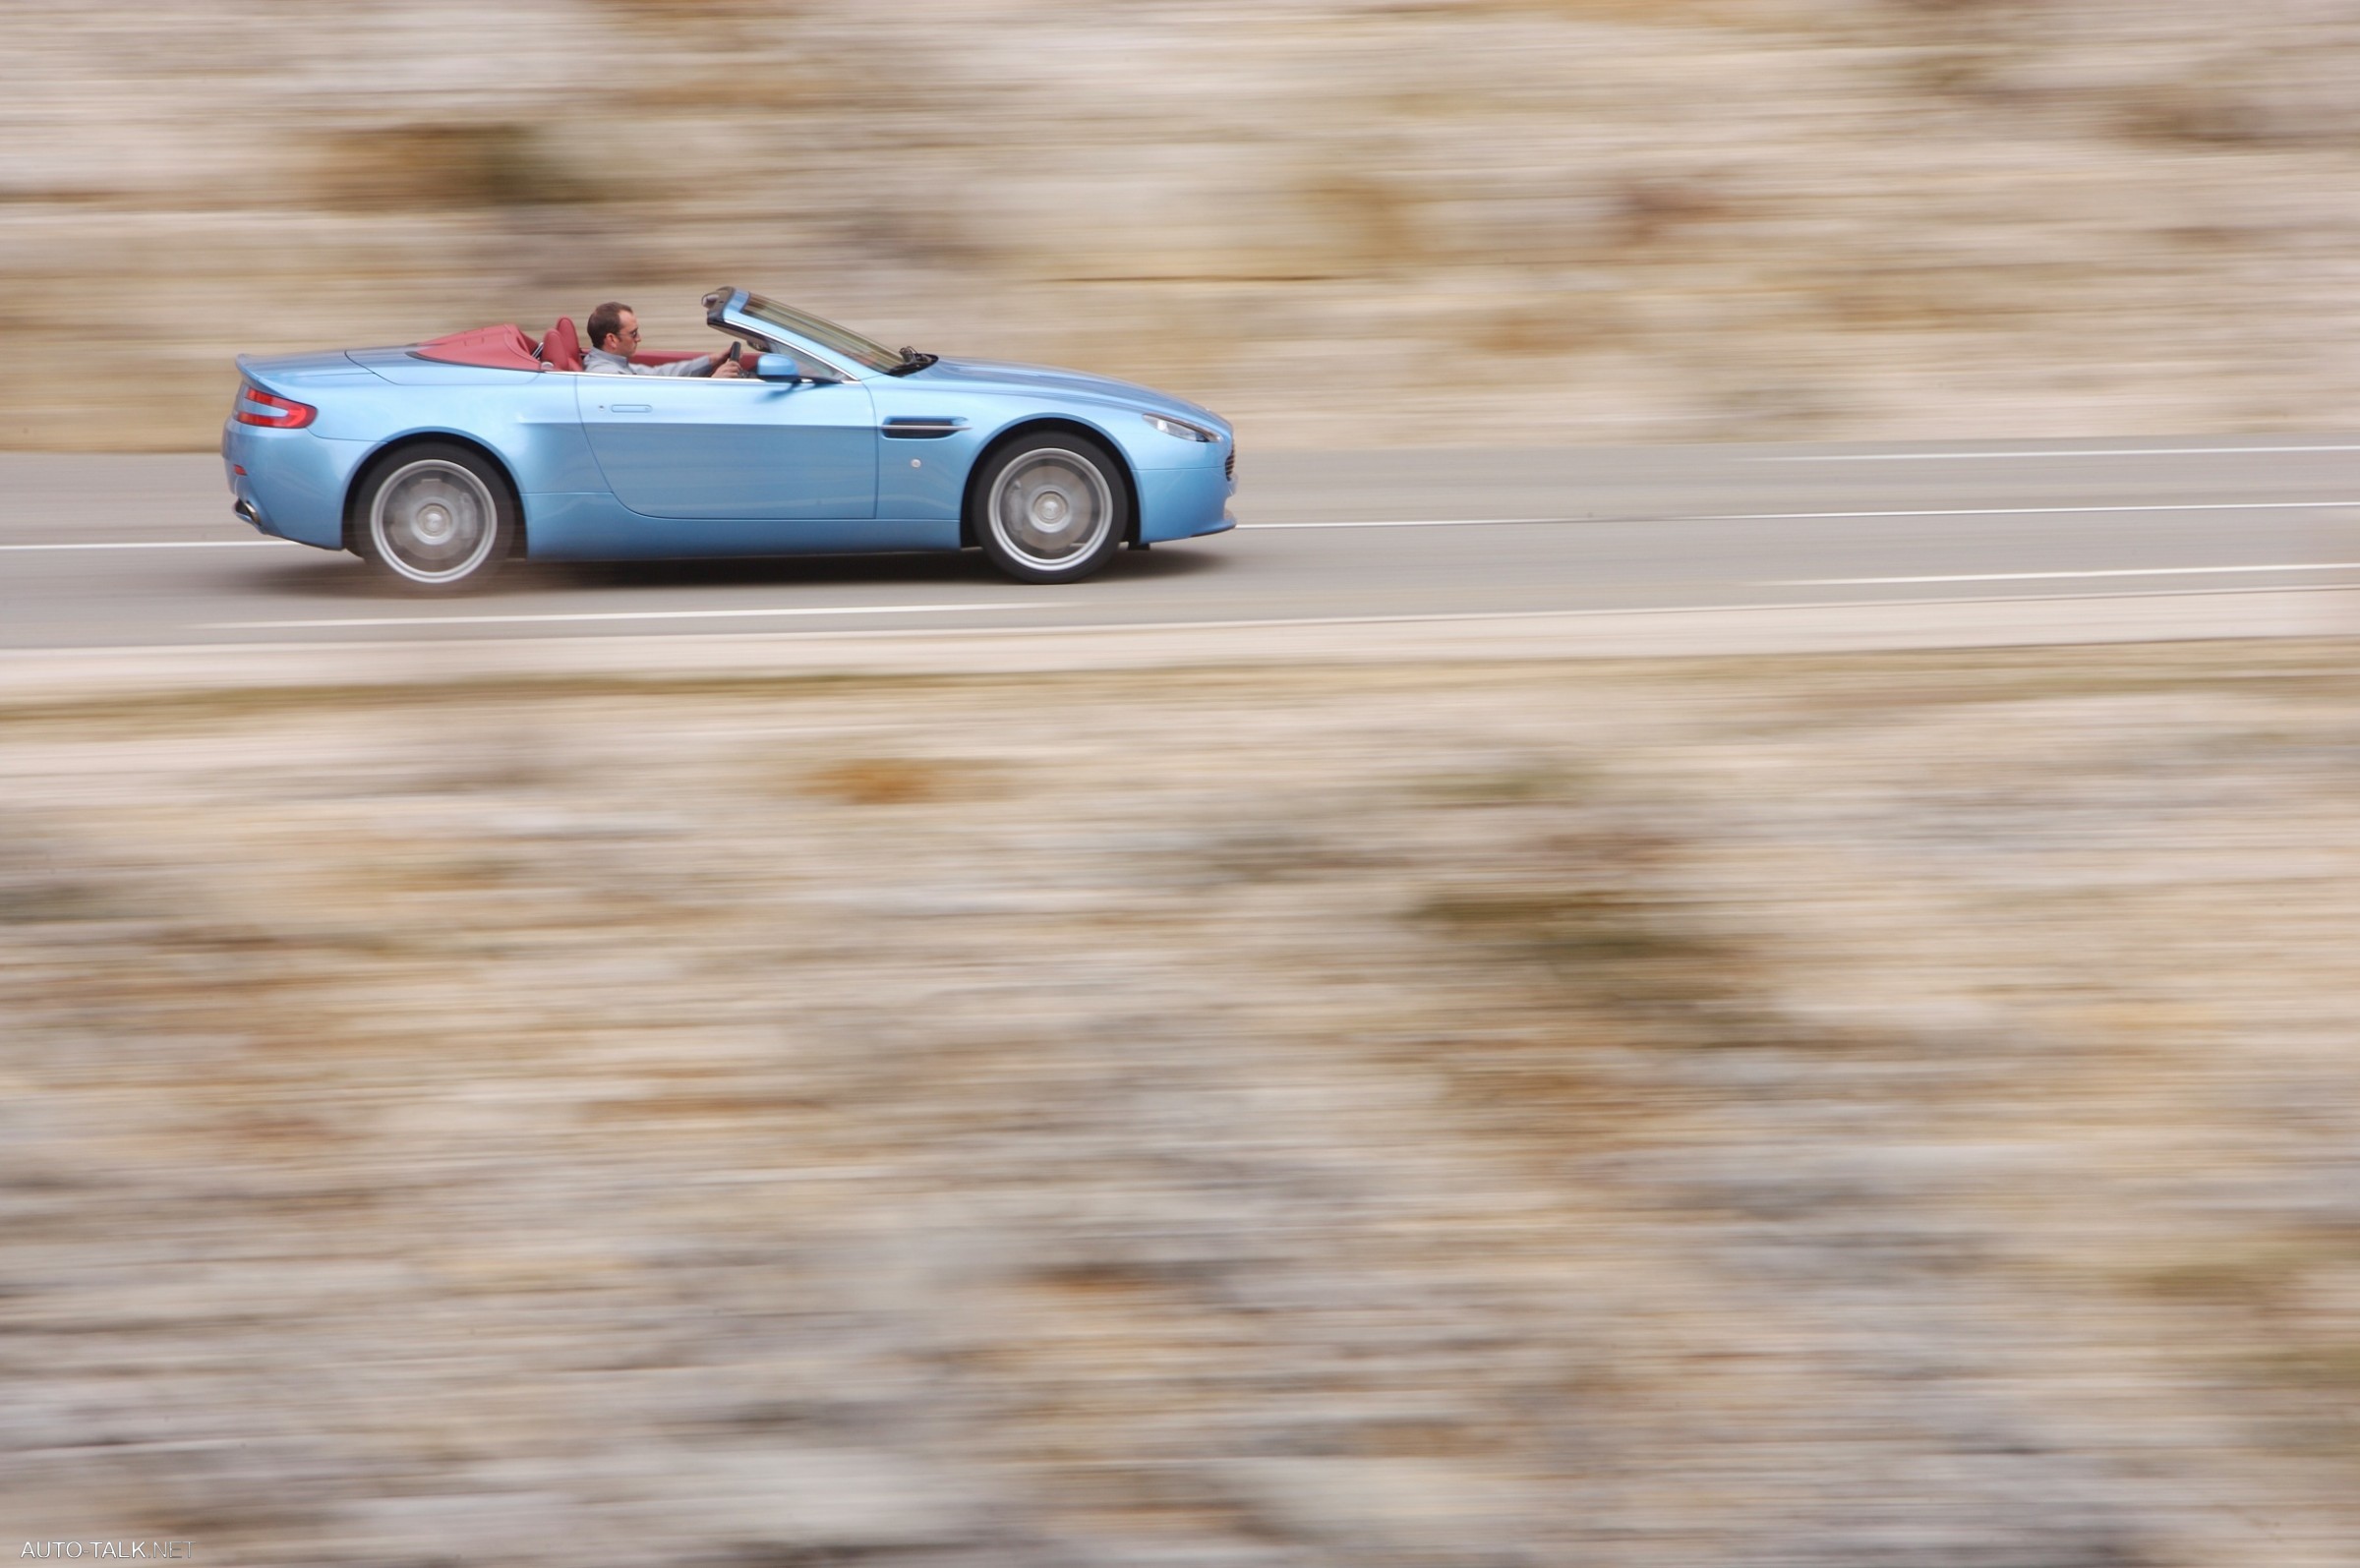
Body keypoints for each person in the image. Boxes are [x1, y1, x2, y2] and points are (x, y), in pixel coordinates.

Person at [581, 302, 741, 377]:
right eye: (633, 333)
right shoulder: (607, 376)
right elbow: (660, 400)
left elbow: (659, 374)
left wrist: (711, 361)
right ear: (612, 340)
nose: (639, 338)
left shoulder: (615, 365)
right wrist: (713, 384)